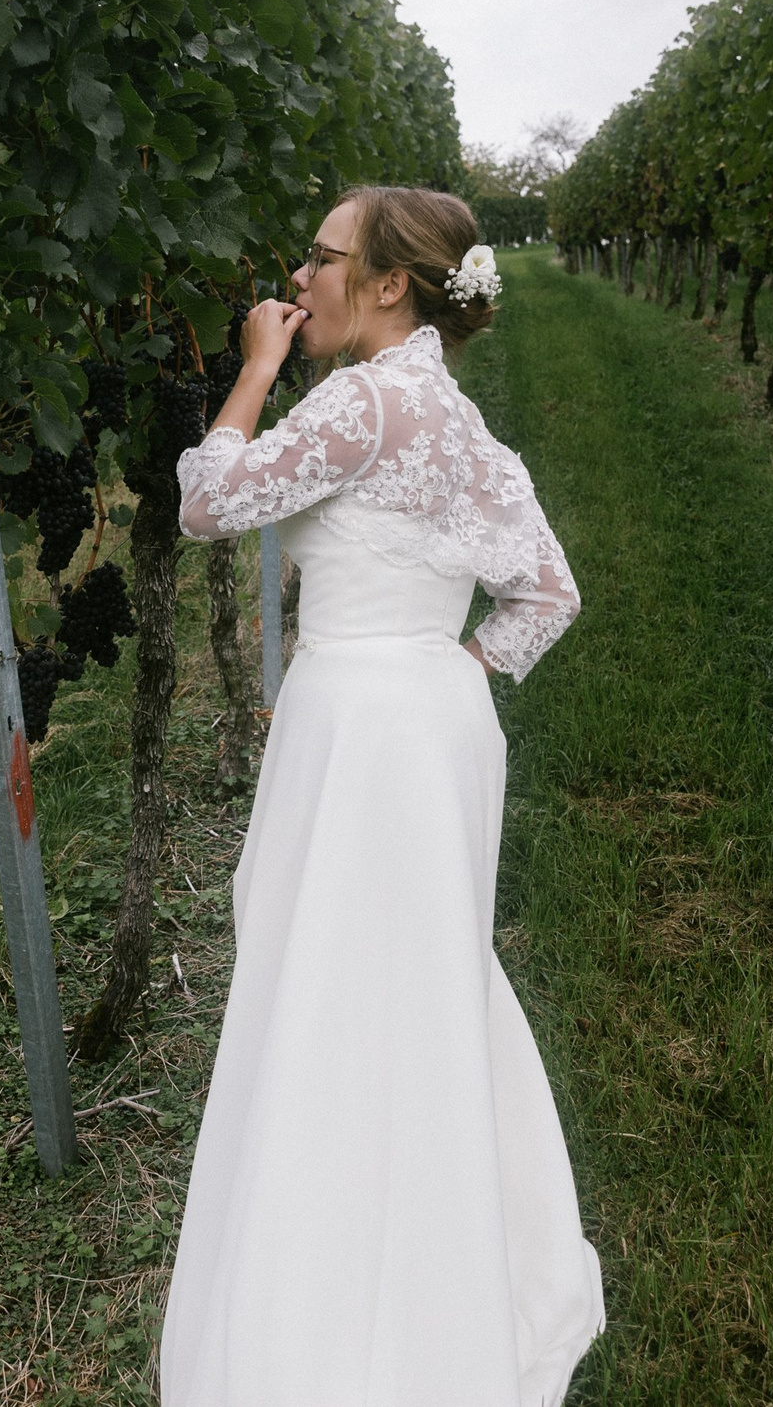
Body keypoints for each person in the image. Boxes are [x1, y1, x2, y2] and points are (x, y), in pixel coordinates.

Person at [160, 187, 604, 1404]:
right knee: (417, 975)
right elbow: (548, 595)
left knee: (327, 979)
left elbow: (208, 504)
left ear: (392, 283)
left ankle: (325, 1297)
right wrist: (458, 668)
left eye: (322, 258)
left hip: (358, 722)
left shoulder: (357, 402)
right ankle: (440, 1248)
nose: (299, 278)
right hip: (435, 723)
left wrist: (251, 372)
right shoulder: (460, 423)